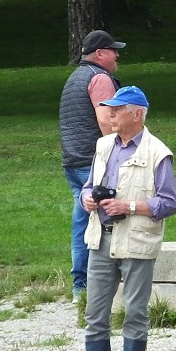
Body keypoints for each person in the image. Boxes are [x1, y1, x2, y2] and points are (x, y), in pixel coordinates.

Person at [71, 86, 176, 351]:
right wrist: (86, 197)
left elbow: (169, 203)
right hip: (100, 238)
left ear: (138, 114)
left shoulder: (158, 152)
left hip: (136, 242)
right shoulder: (103, 146)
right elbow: (88, 186)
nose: (110, 114)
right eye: (110, 109)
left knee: (134, 312)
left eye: (117, 109)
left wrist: (129, 206)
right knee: (95, 314)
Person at [59, 29, 125, 299]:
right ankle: (98, 283)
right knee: (108, 219)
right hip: (93, 162)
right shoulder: (99, 78)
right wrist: (120, 151)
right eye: (113, 50)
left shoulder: (75, 77)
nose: (117, 55)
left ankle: (80, 287)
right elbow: (106, 121)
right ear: (100, 54)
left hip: (73, 161)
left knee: (82, 222)